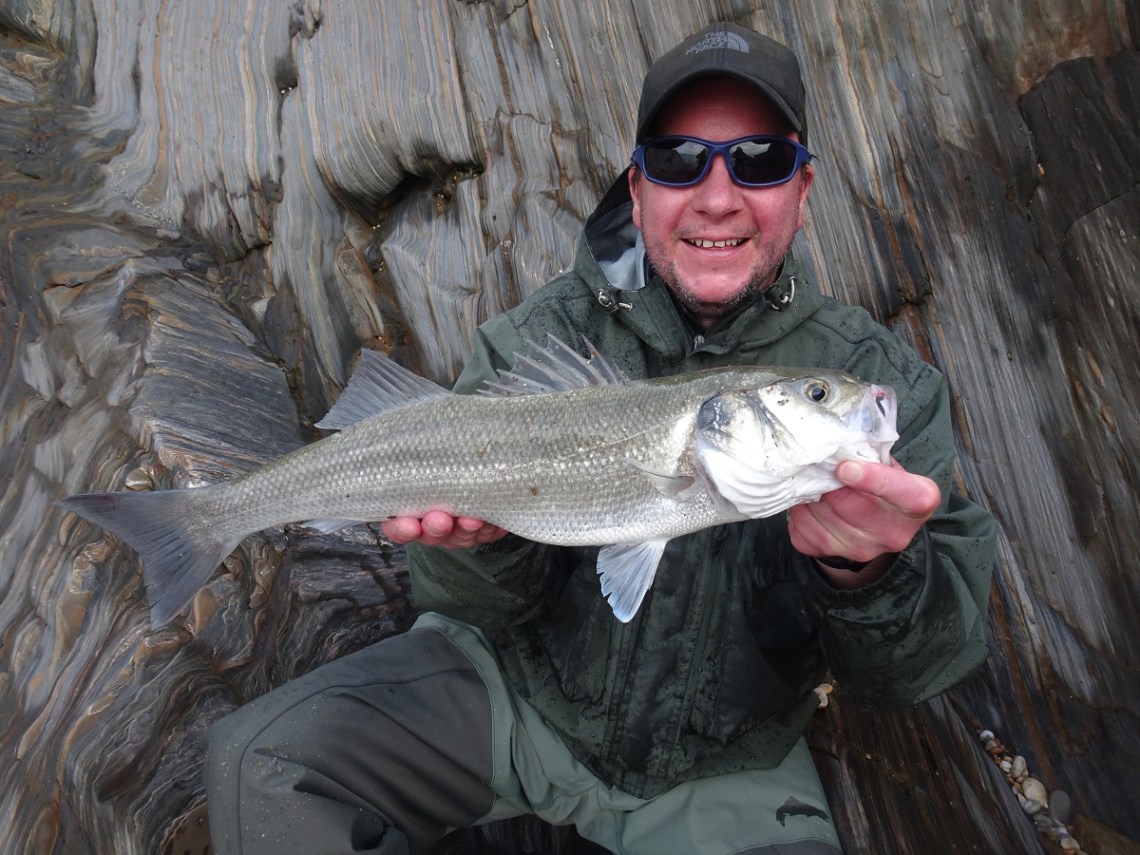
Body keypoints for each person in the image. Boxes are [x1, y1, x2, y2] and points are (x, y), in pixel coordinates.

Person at [205, 21, 995, 855]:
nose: (717, 197)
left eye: (758, 161)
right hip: (513, 698)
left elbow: (915, 674)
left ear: (802, 188)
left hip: (727, 762)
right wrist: (482, 550)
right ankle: (218, 516)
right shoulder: (533, 338)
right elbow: (458, 603)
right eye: (678, 162)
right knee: (261, 762)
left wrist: (867, 574)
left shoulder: (883, 379)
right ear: (639, 187)